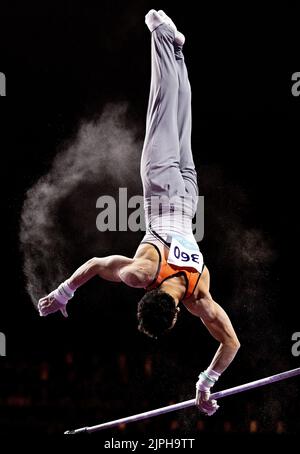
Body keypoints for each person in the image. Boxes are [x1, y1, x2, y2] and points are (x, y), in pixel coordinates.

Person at [38, 9, 240, 416]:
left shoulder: (200, 297)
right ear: (145, 296)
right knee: (166, 110)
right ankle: (168, 43)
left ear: (177, 312)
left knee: (177, 116)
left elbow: (231, 344)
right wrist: (63, 293)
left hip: (186, 198)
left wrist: (206, 382)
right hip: (164, 191)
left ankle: (167, 40)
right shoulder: (141, 275)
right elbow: (97, 264)